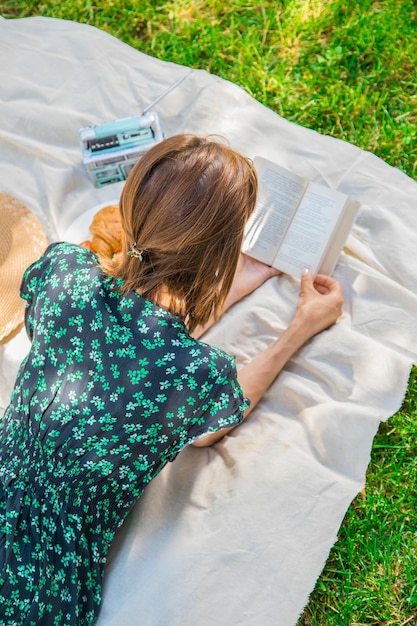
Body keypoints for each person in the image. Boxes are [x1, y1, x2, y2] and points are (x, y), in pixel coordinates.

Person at [0, 134, 343, 625]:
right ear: (217, 257)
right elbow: (208, 430)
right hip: (40, 584)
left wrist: (235, 283)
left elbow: (124, 339)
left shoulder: (63, 271)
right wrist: (302, 327)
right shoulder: (198, 376)